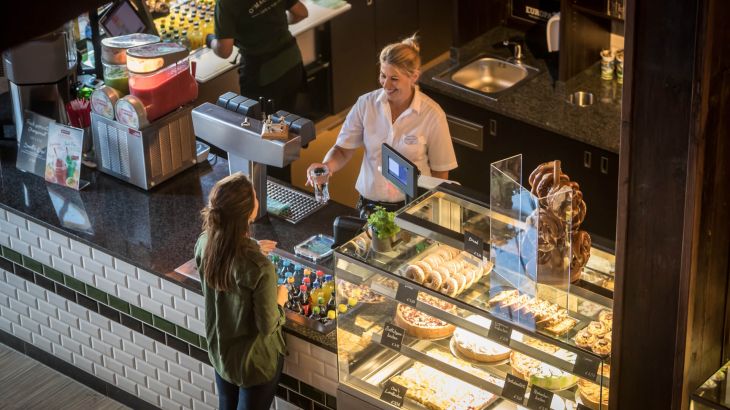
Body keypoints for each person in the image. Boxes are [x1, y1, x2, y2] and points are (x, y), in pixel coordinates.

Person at [306, 35, 458, 218]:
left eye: (394, 78)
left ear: (414, 76)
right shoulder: (366, 104)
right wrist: (326, 166)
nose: (386, 84)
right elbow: (342, 149)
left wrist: (431, 213)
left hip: (413, 209)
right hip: (369, 206)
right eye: (383, 75)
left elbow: (440, 172)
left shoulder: (432, 115)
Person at [195, 172, 287, 410]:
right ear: (249, 212)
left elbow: (223, 271)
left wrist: (252, 246)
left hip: (222, 353)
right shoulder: (260, 268)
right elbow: (267, 325)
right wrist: (280, 300)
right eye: (255, 195)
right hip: (253, 364)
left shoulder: (205, 243)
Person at [207, 0, 308, 115]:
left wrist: (210, 40)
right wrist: (277, 23)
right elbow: (301, 13)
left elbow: (224, 50)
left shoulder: (226, 3)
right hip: (292, 61)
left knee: (264, 127)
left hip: (263, 74)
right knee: (291, 123)